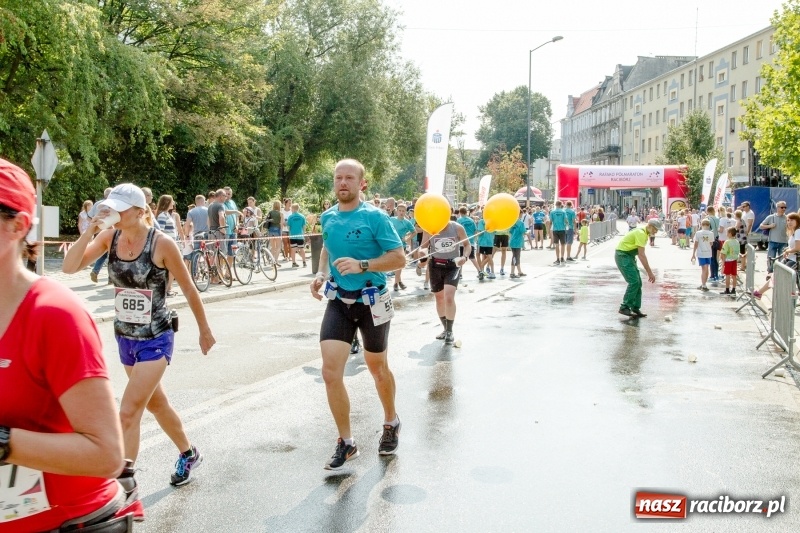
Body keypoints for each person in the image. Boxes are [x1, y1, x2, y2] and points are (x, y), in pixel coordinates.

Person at [0, 158, 130, 533]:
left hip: (72, 522)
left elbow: (106, 454)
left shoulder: (55, 315)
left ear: (18, 225)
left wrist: (4, 443)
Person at [63, 183, 216, 488]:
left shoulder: (161, 244)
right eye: (112, 208)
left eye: (120, 209)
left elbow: (187, 287)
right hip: (125, 337)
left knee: (128, 411)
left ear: (138, 211)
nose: (114, 213)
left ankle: (125, 483)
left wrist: (204, 330)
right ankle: (189, 453)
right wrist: (89, 231)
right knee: (156, 404)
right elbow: (69, 267)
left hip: (157, 336)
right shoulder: (110, 236)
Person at [309, 159, 405, 470]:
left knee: (377, 369)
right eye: (338, 177)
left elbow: (399, 258)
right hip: (338, 300)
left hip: (372, 300)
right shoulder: (328, 217)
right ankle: (346, 442)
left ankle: (391, 420)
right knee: (329, 372)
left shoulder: (376, 218)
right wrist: (321, 275)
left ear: (361, 183)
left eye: (350, 178)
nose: (343, 183)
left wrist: (363, 265)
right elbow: (327, 249)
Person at [421, 217, 470, 343]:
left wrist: (464, 257)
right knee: (439, 298)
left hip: (453, 266)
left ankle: (450, 331)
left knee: (448, 296)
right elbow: (423, 247)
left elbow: (467, 245)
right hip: (435, 265)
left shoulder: (457, 227)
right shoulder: (429, 229)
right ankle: (445, 328)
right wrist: (422, 256)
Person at [615, 219, 660, 318]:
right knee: (634, 282)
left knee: (638, 282)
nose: (656, 232)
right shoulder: (641, 233)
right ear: (650, 226)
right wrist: (650, 272)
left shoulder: (643, 232)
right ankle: (625, 307)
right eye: (655, 229)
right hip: (623, 255)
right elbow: (641, 255)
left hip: (628, 256)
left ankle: (635, 307)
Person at [753, 212, 800, 300]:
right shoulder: (793, 232)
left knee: (778, 277)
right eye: (788, 220)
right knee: (775, 276)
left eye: (792, 220)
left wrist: (788, 250)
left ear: (797, 221)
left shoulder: (798, 231)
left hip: (794, 260)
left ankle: (760, 293)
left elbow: (797, 248)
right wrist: (787, 249)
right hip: (790, 258)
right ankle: (760, 293)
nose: (789, 222)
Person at [88, 187, 113, 283]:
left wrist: (94, 227)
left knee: (101, 253)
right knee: (113, 255)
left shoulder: (98, 204)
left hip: (98, 231)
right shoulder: (113, 205)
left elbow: (89, 217)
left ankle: (95, 271)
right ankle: (111, 277)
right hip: (110, 231)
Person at [390, 203, 415, 290]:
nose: (401, 212)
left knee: (399, 264)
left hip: (401, 245)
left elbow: (414, 232)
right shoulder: (391, 219)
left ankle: (396, 283)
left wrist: (407, 238)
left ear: (406, 212)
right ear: (396, 211)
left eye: (403, 211)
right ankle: (399, 281)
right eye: (399, 210)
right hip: (392, 244)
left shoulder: (407, 222)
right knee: (395, 264)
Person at [759, 201, 788, 275]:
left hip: (784, 242)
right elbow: (761, 226)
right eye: (782, 207)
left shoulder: (787, 218)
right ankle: (770, 273)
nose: (784, 209)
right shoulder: (771, 217)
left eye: (785, 207)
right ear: (777, 208)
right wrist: (770, 226)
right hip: (773, 241)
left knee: (783, 260)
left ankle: (781, 274)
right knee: (771, 258)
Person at [456, 206, 481, 276]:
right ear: (466, 212)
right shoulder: (471, 220)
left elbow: (456, 231)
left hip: (461, 241)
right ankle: (479, 271)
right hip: (470, 241)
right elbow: (475, 231)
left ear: (460, 212)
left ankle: (459, 273)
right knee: (472, 257)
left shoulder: (458, 221)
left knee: (461, 257)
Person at [691, 219, 714, 291]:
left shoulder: (698, 233)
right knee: (706, 269)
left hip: (701, 253)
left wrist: (693, 254)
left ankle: (703, 284)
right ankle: (704, 283)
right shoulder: (711, 233)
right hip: (708, 253)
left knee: (703, 269)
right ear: (709, 225)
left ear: (701, 225)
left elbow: (696, 243)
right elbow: (711, 243)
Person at [719, 227, 740, 296]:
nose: (726, 234)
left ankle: (727, 289)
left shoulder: (727, 242)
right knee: (734, 275)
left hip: (728, 260)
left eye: (727, 232)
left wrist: (722, 260)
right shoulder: (737, 242)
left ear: (730, 233)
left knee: (727, 275)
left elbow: (723, 252)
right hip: (734, 260)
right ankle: (734, 289)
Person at [287, 202, 307, 268]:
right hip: (300, 235)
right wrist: (303, 233)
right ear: (298, 208)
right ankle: (304, 262)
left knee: (293, 249)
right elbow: (304, 226)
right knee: (301, 249)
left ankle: (293, 262)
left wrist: (290, 233)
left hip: (292, 235)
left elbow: (288, 227)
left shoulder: (290, 217)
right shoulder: (302, 216)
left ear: (292, 208)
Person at [508, 213, 526, 278]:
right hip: (518, 241)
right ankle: (512, 272)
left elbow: (510, 231)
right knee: (516, 257)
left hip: (513, 241)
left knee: (515, 256)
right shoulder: (521, 223)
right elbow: (523, 232)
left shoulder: (512, 223)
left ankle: (519, 271)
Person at [549, 200, 568, 265]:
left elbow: (551, 221)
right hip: (562, 229)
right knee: (563, 244)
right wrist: (567, 226)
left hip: (555, 229)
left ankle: (557, 259)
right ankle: (562, 258)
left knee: (556, 245)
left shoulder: (552, 212)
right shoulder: (563, 212)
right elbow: (566, 221)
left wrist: (549, 230)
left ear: (555, 205)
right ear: (561, 205)